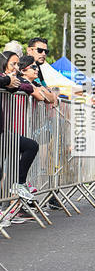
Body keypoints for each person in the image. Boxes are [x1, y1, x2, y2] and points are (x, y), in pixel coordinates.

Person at [0, 51, 40, 201]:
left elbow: (27, 88)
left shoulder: (10, 80)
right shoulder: (4, 79)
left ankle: (19, 183)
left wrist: (11, 82)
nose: (16, 67)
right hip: (6, 131)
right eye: (13, 64)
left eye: (18, 64)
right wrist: (6, 81)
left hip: (5, 132)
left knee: (31, 146)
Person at [26, 37, 58, 106]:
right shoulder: (23, 66)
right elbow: (42, 94)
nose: (43, 54)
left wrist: (51, 94)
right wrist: (50, 95)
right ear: (29, 50)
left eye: (46, 51)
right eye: (40, 50)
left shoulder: (39, 68)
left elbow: (46, 88)